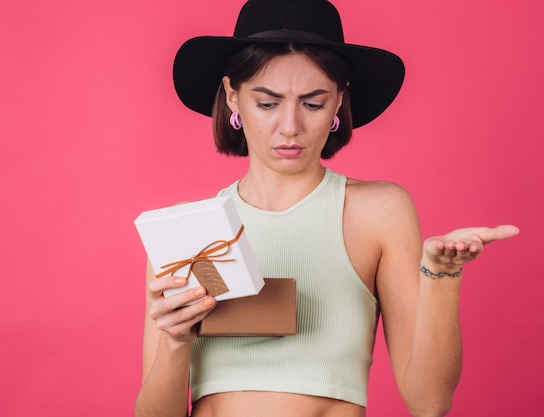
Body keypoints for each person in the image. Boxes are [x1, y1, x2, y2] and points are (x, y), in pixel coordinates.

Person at [135, 1, 519, 416]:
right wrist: (175, 341)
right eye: (267, 103)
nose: (289, 126)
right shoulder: (190, 231)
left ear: (339, 102)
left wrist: (442, 276)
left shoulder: (377, 211)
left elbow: (429, 402)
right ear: (233, 98)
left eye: (313, 104)